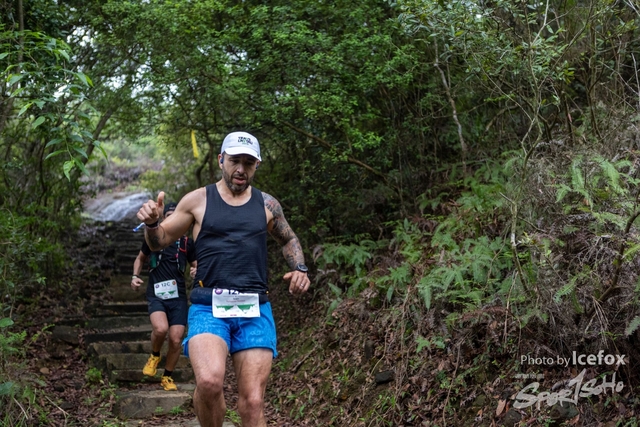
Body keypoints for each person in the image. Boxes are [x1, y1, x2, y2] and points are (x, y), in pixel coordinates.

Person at [137, 131, 310, 427]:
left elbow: (288, 238)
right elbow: (159, 241)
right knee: (209, 383)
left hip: (254, 307)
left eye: (248, 163)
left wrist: (300, 268)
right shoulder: (197, 200)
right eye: (234, 161)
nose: (240, 169)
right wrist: (152, 223)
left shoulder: (267, 204)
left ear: (256, 165)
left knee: (252, 403)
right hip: (208, 306)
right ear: (221, 160)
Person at [131, 202, 197, 391]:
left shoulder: (186, 243)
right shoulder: (153, 239)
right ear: (163, 218)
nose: (172, 220)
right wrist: (135, 276)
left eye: (176, 217)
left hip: (178, 297)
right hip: (157, 293)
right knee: (160, 329)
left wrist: (195, 270)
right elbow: (140, 258)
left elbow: (196, 264)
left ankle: (167, 376)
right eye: (168, 216)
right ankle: (155, 355)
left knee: (176, 339)